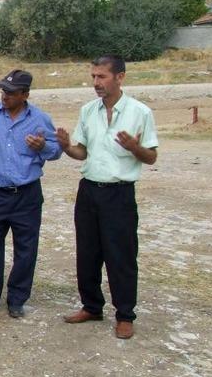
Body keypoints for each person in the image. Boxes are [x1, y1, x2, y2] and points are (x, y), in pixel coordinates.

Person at [56, 55, 158, 339]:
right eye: (93, 77)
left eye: (102, 77)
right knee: (87, 253)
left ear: (120, 77)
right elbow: (82, 153)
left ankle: (125, 315)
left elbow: (151, 157)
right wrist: (66, 147)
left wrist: (136, 148)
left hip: (119, 194)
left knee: (121, 255)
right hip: (89, 191)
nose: (96, 83)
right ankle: (91, 306)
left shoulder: (140, 112)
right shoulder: (88, 111)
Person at [0, 70, 62, 319]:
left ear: (25, 94)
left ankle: (17, 299)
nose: (4, 96)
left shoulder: (40, 119)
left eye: (10, 92)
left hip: (27, 195)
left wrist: (43, 147)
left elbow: (56, 151)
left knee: (26, 249)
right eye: (2, 91)